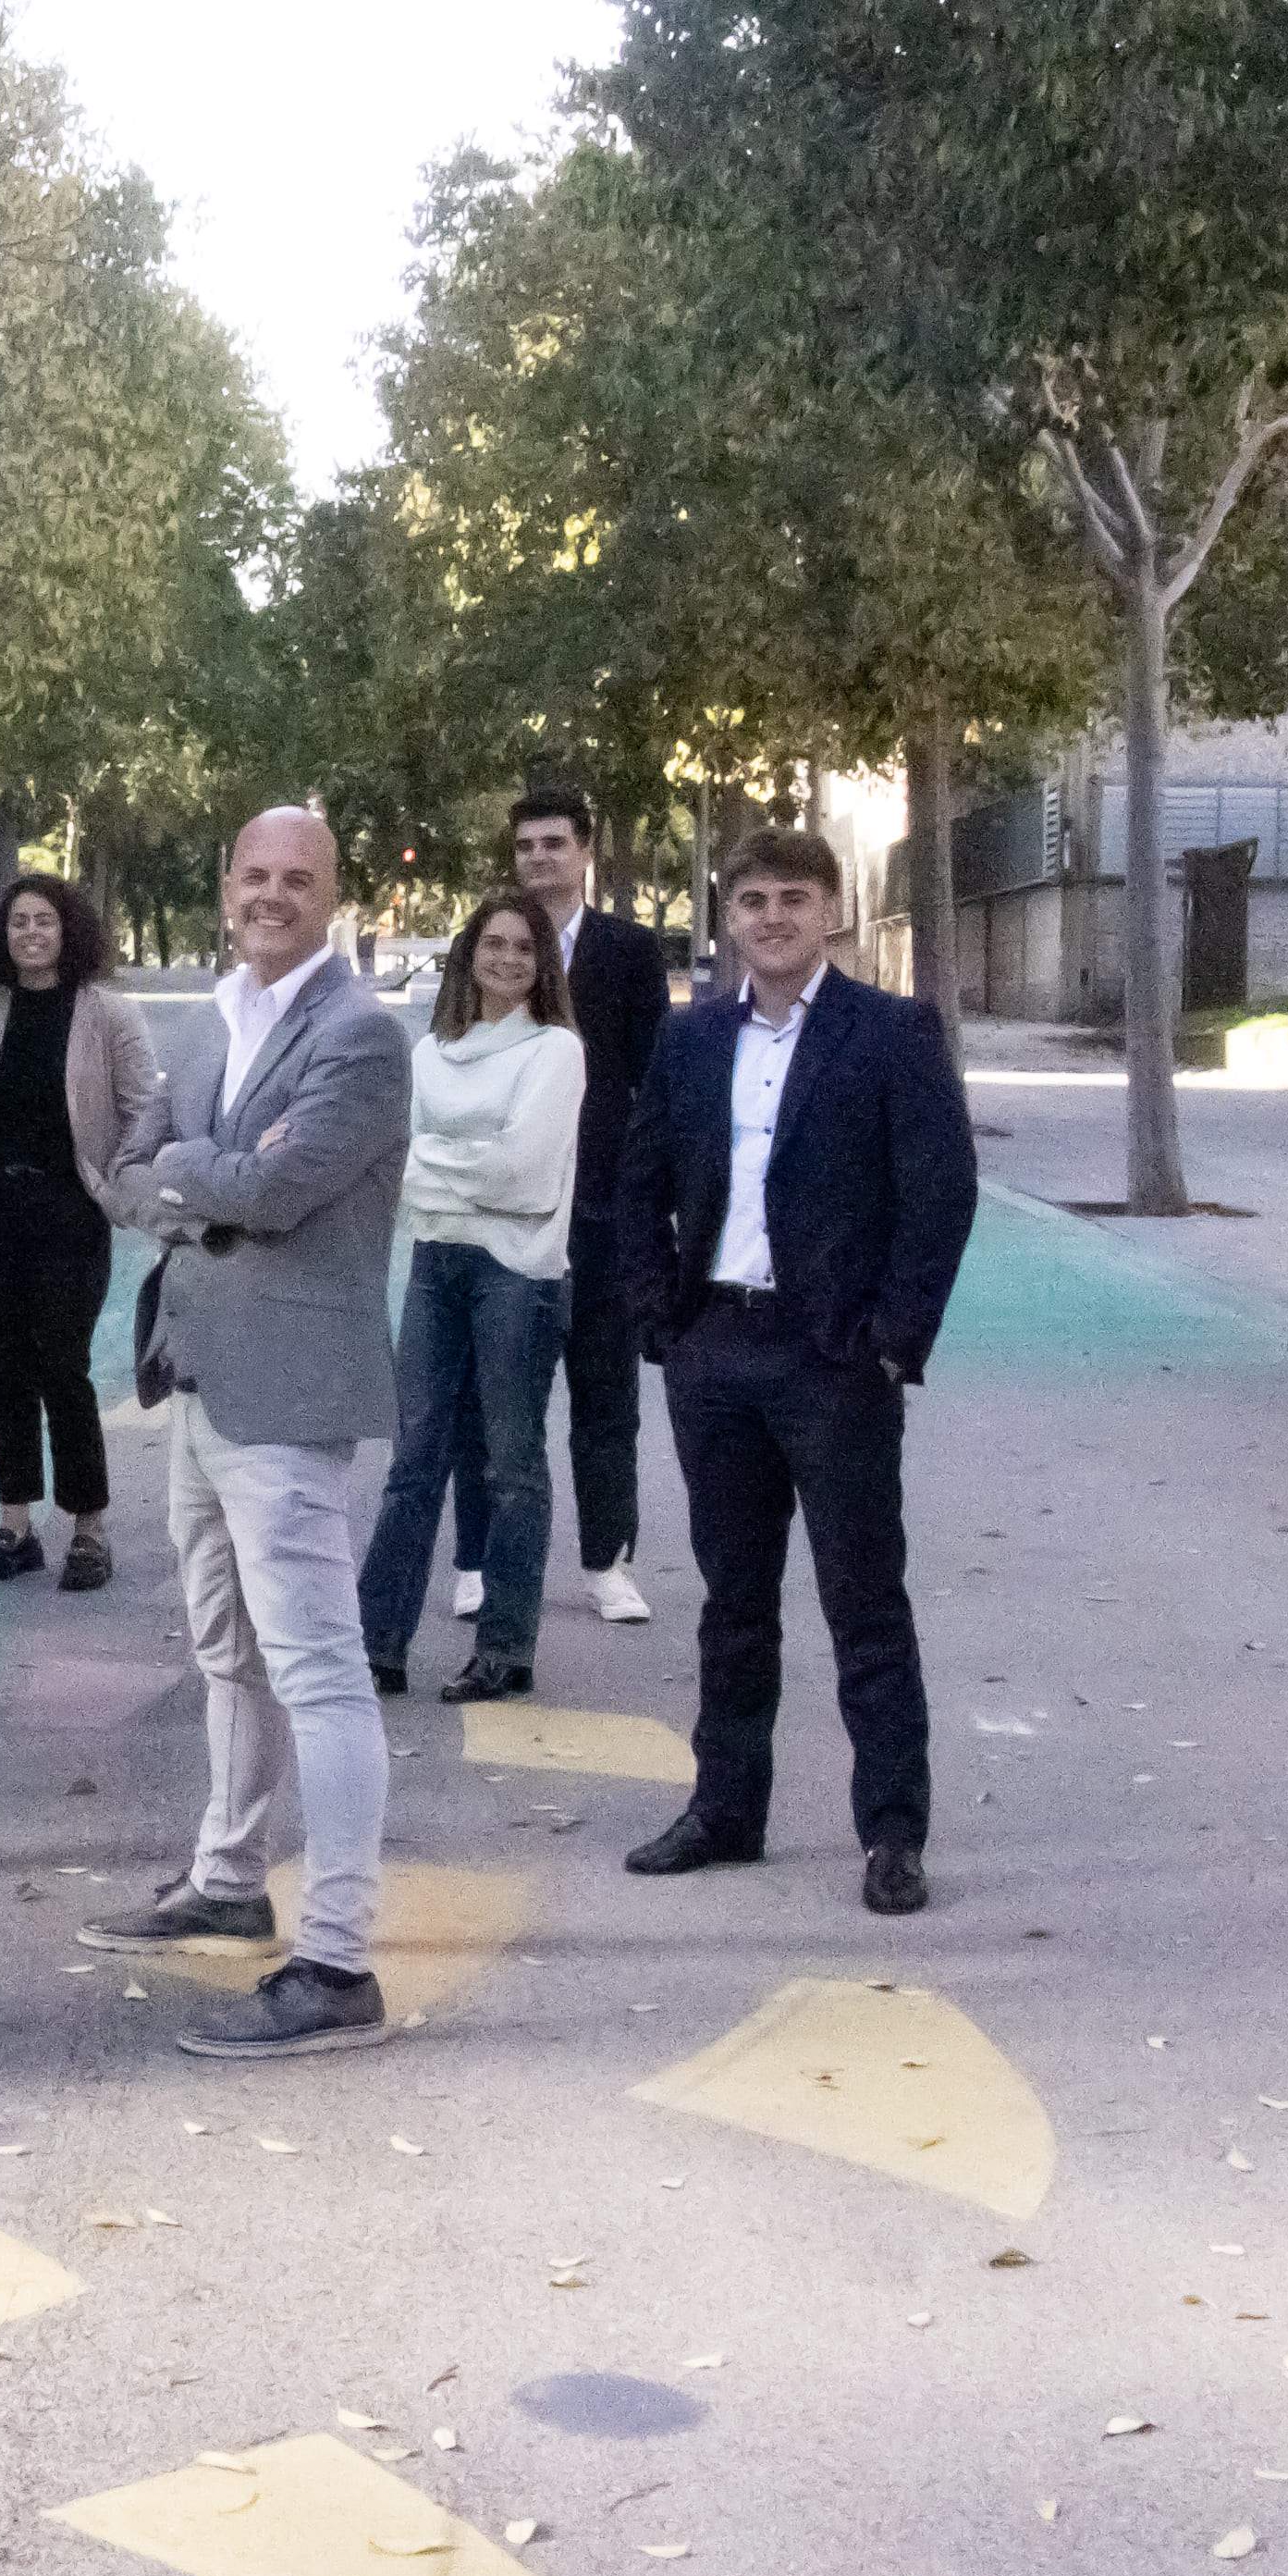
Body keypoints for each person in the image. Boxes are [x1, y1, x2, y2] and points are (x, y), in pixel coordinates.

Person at [84, 806, 412, 2062]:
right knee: (226, 1649)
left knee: (320, 1668)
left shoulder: (363, 1037)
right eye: (255, 876)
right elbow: (128, 1165)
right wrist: (209, 1171)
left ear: (336, 892)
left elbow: (279, 1189)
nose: (272, 896)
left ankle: (336, 1960)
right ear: (227, 885)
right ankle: (229, 1875)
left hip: (288, 1398)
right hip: (202, 1374)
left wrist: (196, 1172)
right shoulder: (209, 1015)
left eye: (298, 879)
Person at [609, 825, 977, 1917]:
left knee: (863, 1600)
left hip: (833, 1361)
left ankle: (893, 1834)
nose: (772, 916)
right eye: (754, 899)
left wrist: (893, 1339)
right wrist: (658, 1317)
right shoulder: (687, 1042)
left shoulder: (891, 1032)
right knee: (733, 1599)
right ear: (728, 917)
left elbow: (940, 1193)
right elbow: (639, 1184)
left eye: (794, 898)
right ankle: (726, 1808)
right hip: (714, 1349)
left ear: (831, 915)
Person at [446, 784, 674, 1629]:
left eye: (554, 844)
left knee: (605, 1396)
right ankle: (476, 1560)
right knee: (490, 1400)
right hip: (498, 1216)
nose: (539, 858)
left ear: (586, 851)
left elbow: (657, 1085)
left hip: (601, 1216)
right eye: (526, 846)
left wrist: (652, 1205)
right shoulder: (487, 948)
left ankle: (608, 1564)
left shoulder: (628, 952)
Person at [358, 900, 584, 1707]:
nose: (509, 958)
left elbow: (526, 1176)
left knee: (511, 1466)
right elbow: (399, 1162)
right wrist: (467, 1163)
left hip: (517, 1276)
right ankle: (377, 1644)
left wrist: (441, 1163)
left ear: (542, 964)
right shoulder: (431, 1053)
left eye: (525, 948)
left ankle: (505, 1649)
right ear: (469, 956)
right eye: (495, 944)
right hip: (434, 1263)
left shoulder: (556, 1051)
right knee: (413, 1460)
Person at [0, 870, 161, 1596]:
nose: (31, 933)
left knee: (62, 1366)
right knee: (6, 1370)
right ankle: (15, 1524)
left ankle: (89, 1528)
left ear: (68, 930)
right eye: (18, 923)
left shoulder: (107, 1013)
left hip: (70, 1212)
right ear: (2, 936)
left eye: (44, 921)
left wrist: (118, 1190)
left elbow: (142, 1112)